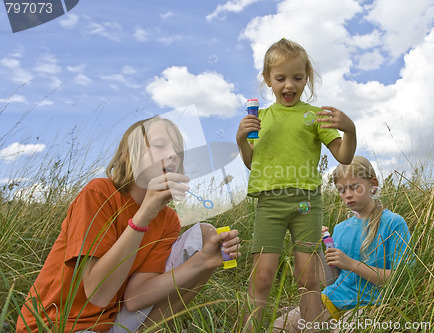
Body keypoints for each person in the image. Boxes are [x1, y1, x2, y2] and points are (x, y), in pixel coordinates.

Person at [17, 116, 241, 333]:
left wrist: (202, 262)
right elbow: (99, 294)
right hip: (56, 324)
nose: (173, 154)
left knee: (205, 235)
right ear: (128, 157)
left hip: (111, 322)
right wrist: (144, 216)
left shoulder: (168, 219)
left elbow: (136, 298)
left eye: (177, 151)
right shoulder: (99, 194)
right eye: (160, 146)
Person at [236, 38, 357, 331]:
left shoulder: (315, 116)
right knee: (262, 275)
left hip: (307, 203)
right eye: (280, 78)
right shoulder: (260, 118)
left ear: (307, 79)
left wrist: (350, 128)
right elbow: (253, 163)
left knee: (308, 278)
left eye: (297, 78)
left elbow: (344, 155)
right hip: (270, 204)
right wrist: (241, 140)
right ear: (268, 80)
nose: (288, 85)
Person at [273, 156, 412, 332]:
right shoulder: (340, 228)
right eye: (341, 189)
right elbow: (330, 280)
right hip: (333, 298)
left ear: (372, 184)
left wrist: (350, 264)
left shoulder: (393, 223)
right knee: (280, 327)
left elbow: (400, 280)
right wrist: (315, 250)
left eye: (354, 187)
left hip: (370, 304)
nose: (347, 195)